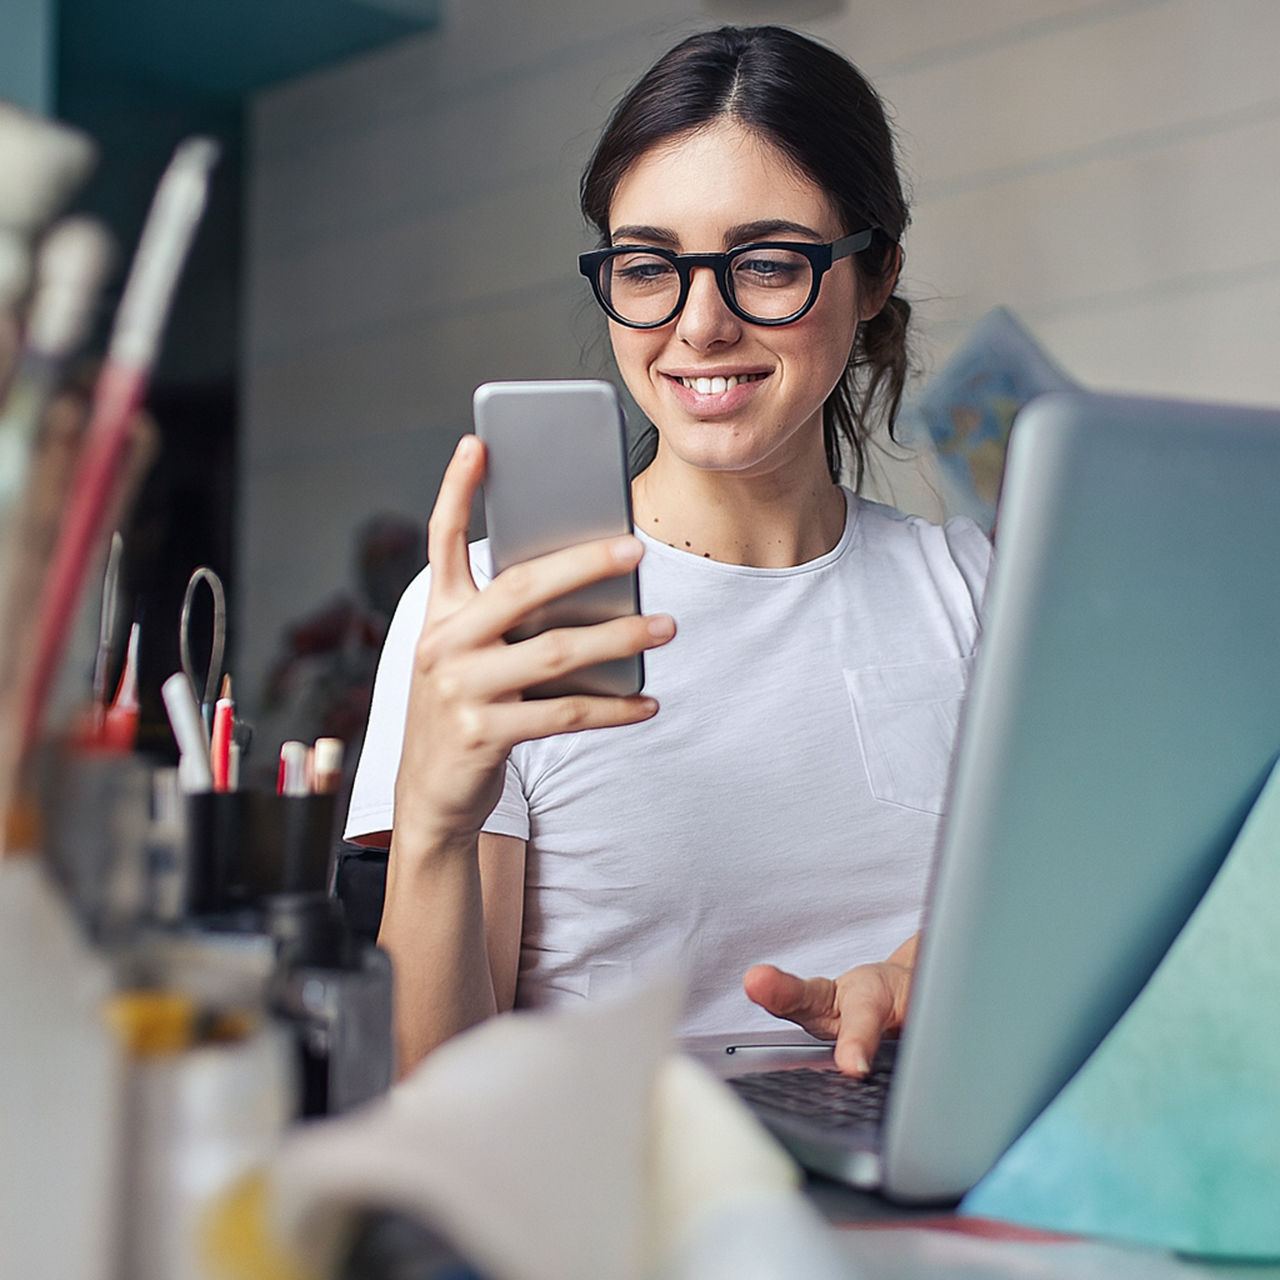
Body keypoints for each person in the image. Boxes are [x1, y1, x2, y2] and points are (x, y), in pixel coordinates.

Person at [345, 25, 992, 1078]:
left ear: (872, 275)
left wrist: (939, 972)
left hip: (921, 1210)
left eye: (766, 262)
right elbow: (430, 1095)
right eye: (648, 266)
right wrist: (430, 826)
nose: (697, 324)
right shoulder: (490, 613)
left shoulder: (978, 597)